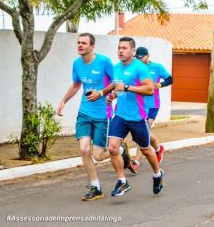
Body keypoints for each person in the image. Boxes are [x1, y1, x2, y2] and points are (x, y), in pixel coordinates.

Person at [56, 33, 130, 201]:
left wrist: (102, 93)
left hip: (102, 114)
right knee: (83, 149)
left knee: (98, 156)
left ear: (92, 46)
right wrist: (63, 101)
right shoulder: (77, 63)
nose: (80, 45)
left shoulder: (104, 62)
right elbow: (76, 85)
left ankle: (120, 149)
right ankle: (95, 187)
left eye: (84, 43)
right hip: (84, 112)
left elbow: (115, 81)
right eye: (78, 43)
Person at [108, 37, 164, 196]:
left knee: (146, 150)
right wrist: (113, 95)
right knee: (112, 147)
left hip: (138, 117)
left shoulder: (140, 68)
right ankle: (122, 182)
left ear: (133, 51)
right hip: (120, 116)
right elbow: (117, 87)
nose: (120, 50)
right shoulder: (116, 68)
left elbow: (149, 89)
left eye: (124, 48)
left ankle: (157, 174)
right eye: (119, 47)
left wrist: (126, 87)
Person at [128, 47, 173, 174]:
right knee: (142, 133)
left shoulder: (157, 67)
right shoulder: (134, 68)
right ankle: (158, 148)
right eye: (138, 57)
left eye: (142, 57)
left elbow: (170, 79)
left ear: (148, 56)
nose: (140, 59)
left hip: (152, 105)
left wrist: (159, 85)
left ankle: (135, 162)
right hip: (138, 105)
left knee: (143, 133)